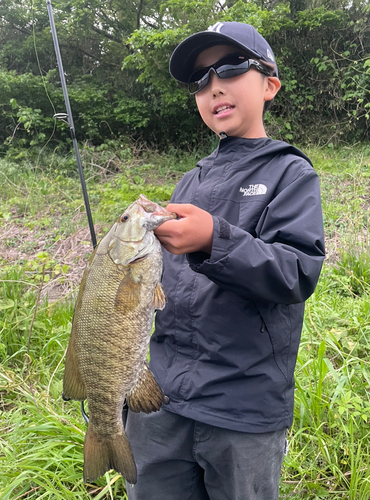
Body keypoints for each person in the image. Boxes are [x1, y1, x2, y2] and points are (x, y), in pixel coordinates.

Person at [125, 21, 325, 500]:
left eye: (232, 67)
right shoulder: (189, 182)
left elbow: (296, 271)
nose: (214, 85)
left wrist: (214, 238)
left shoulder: (290, 173)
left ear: (270, 84)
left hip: (243, 408)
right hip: (162, 401)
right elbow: (158, 290)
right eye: (200, 79)